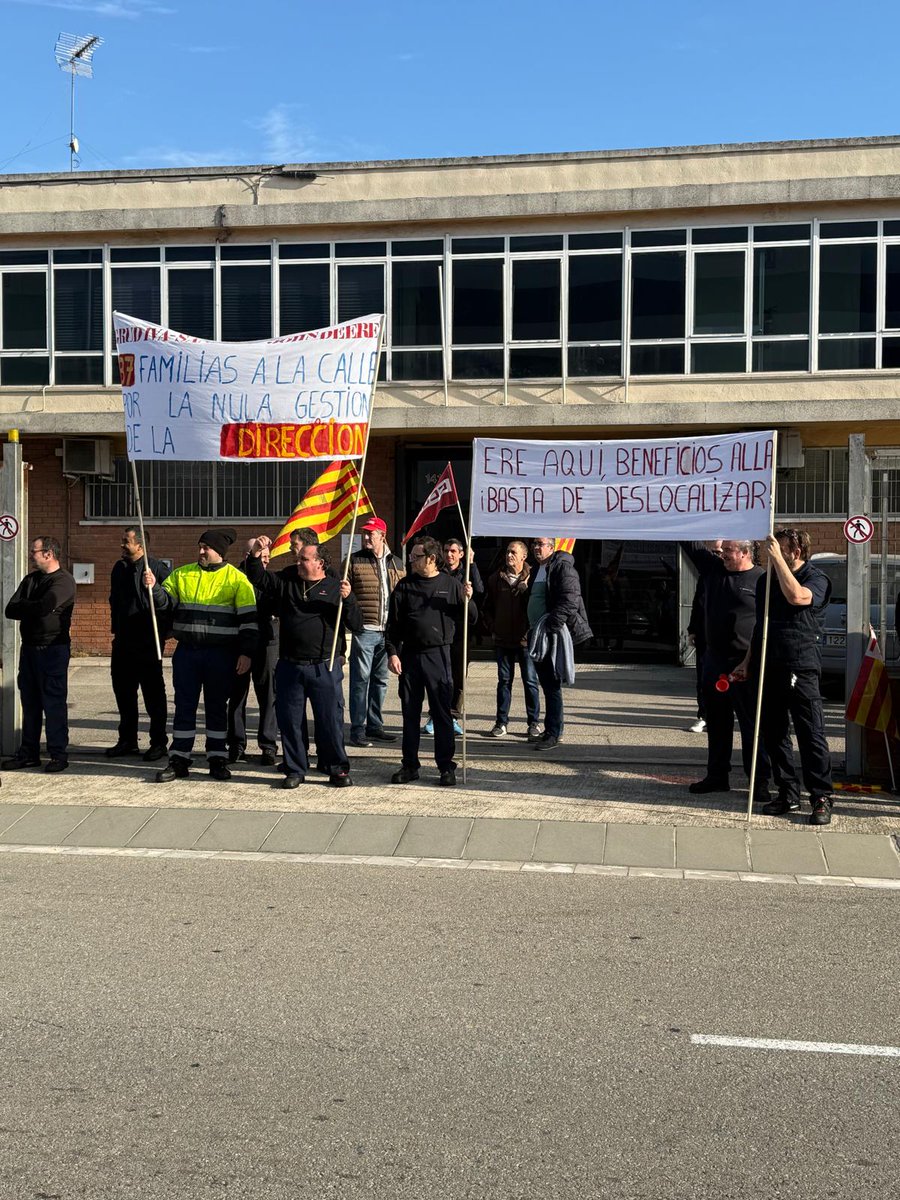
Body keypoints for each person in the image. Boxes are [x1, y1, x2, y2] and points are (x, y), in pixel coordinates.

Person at [734, 529, 835, 825]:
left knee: (810, 734)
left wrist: (777, 561)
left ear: (797, 551)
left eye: (780, 548)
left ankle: (820, 797)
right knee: (775, 733)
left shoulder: (815, 578)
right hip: (770, 665)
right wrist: (747, 661)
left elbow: (797, 597)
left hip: (800, 665)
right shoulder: (767, 581)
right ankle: (788, 792)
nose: (770, 552)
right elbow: (759, 626)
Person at [246, 536, 360, 790]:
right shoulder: (287, 582)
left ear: (320, 563)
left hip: (324, 666)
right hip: (290, 666)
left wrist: (349, 599)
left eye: (304, 559)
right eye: (299, 558)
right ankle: (295, 768)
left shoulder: (335, 587)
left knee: (330, 720)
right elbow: (259, 579)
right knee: (290, 720)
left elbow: (356, 624)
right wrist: (254, 555)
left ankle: (336, 768)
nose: (298, 562)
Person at [144, 528, 257, 783]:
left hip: (222, 655)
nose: (201, 551)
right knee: (184, 706)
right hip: (187, 653)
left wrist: (246, 653)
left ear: (220, 551)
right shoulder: (182, 574)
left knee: (217, 707)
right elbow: (165, 603)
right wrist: (154, 588)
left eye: (206, 547)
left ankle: (217, 758)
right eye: (200, 546)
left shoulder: (238, 580)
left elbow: (249, 622)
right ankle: (179, 758)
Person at [682, 539, 773, 803]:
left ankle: (759, 781)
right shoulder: (713, 570)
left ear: (745, 552)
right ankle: (717, 776)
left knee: (751, 725)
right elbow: (689, 543)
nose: (722, 553)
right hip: (715, 661)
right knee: (717, 722)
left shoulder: (762, 580)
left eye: (729, 550)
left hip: (746, 663)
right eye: (722, 551)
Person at [386, 536, 475, 787]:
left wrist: (468, 599)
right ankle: (410, 765)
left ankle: (446, 767)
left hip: (439, 655)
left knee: (442, 714)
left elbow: (473, 619)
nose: (411, 560)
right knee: (410, 714)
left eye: (416, 557)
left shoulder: (451, 584)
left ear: (432, 559)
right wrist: (392, 652)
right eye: (411, 556)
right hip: (410, 657)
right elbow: (392, 625)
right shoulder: (404, 586)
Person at [2, 536, 76, 774]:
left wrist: (31, 607)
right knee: (30, 703)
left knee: (53, 703)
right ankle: (29, 754)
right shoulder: (31, 579)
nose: (30, 555)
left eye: (33, 551)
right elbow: (10, 609)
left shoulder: (64, 581)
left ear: (48, 554)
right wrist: (36, 607)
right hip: (30, 649)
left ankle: (58, 754)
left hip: (52, 650)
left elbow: (47, 606)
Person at [106, 526, 170, 761]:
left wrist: (155, 586)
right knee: (124, 693)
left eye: (126, 541)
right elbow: (115, 600)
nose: (122, 545)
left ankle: (158, 742)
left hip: (148, 642)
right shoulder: (119, 568)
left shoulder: (156, 568)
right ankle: (127, 740)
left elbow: (169, 603)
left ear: (140, 545)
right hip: (123, 641)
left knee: (153, 696)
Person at [524, 536, 592, 751]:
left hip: (551, 635)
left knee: (552, 686)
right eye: (534, 544)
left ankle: (554, 733)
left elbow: (570, 600)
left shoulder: (562, 567)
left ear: (552, 548)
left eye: (540, 544)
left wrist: (551, 626)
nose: (536, 548)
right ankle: (550, 728)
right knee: (546, 683)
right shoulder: (536, 569)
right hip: (538, 634)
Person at [346, 515, 404, 748]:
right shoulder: (353, 560)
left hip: (388, 632)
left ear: (383, 536)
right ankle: (357, 729)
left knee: (381, 681)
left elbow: (402, 595)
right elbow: (345, 596)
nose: (366, 537)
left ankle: (375, 726)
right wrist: (354, 623)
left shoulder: (397, 562)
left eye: (371, 533)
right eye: (365, 533)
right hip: (365, 630)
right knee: (360, 681)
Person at [481, 539, 542, 740]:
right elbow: (486, 608)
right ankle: (501, 722)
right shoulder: (495, 579)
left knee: (530, 681)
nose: (509, 556)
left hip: (526, 640)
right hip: (503, 639)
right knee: (504, 681)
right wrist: (493, 628)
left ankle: (533, 723)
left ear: (524, 556)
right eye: (508, 552)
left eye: (513, 552)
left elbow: (539, 606)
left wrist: (526, 590)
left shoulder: (534, 577)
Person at [227, 538, 279, 766]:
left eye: (267, 557)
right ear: (248, 554)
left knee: (268, 695)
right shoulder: (233, 577)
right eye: (261, 555)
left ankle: (268, 746)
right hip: (238, 644)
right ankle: (237, 745)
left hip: (268, 642)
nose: (265, 560)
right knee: (237, 695)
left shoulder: (271, 579)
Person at [686, 540, 723, 734]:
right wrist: (693, 629)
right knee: (703, 679)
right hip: (704, 635)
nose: (717, 555)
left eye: (720, 551)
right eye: (714, 551)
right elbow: (699, 602)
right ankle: (704, 716)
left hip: (728, 638)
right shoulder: (707, 574)